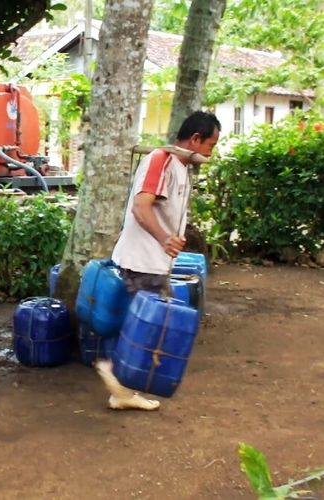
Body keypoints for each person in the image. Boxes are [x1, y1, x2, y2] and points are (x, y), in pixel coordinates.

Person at [96, 111, 221, 411]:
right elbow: (141, 207)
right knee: (146, 325)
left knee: (141, 322)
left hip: (156, 262)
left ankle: (119, 380)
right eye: (210, 145)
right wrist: (165, 238)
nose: (210, 152)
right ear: (195, 139)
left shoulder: (180, 166)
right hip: (142, 260)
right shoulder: (160, 159)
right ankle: (118, 381)